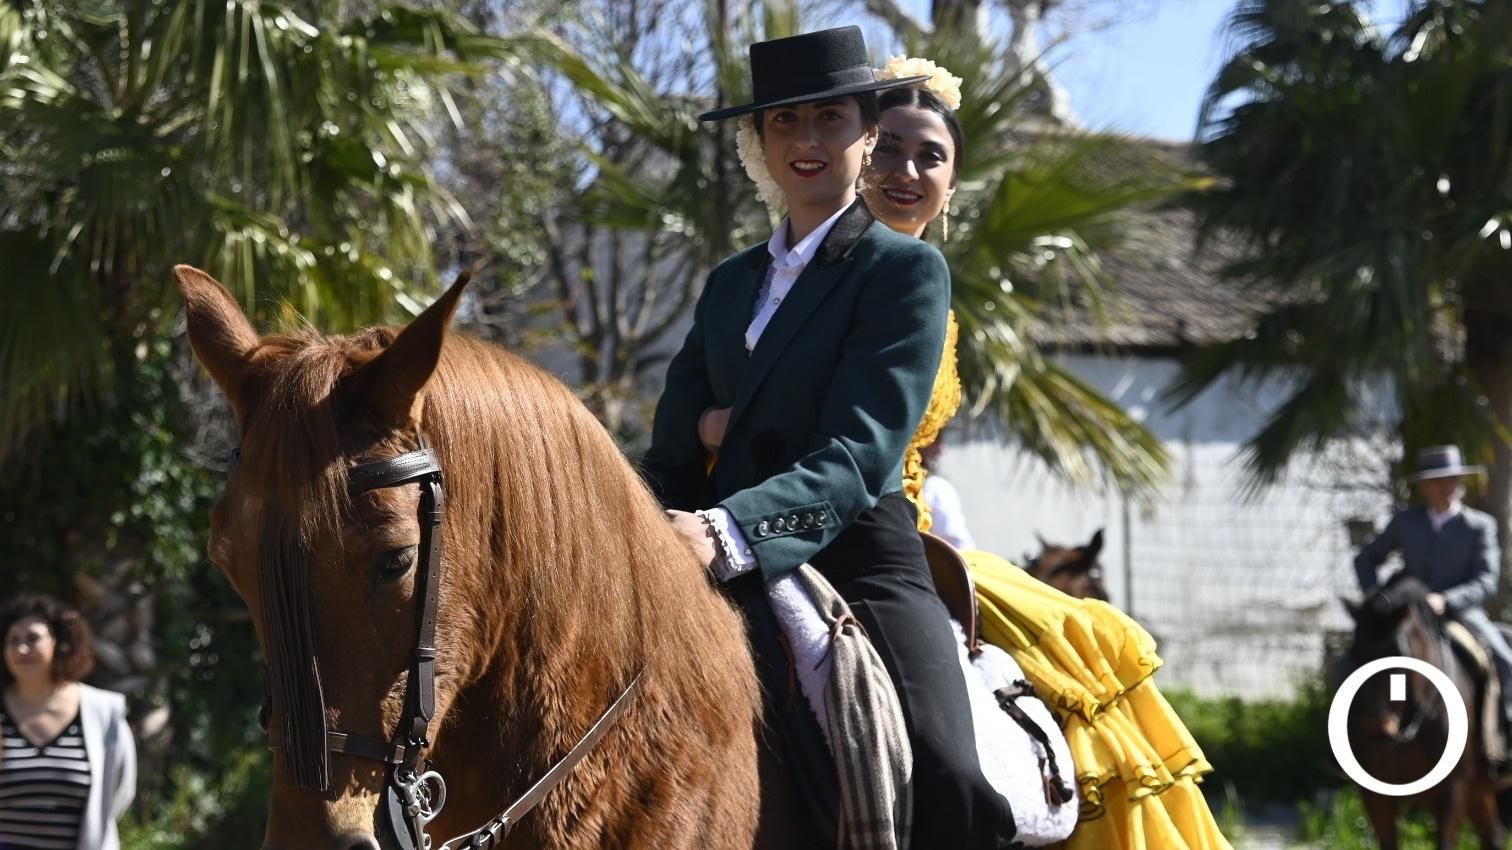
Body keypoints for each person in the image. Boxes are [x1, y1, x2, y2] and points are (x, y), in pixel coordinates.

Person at [641, 25, 1018, 848]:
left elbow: (857, 452)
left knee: (950, 774)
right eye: (785, 121)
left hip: (855, 552)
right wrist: (628, 523)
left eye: (829, 119)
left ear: (868, 133)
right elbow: (671, 443)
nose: (806, 140)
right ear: (760, 140)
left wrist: (727, 526)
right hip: (697, 546)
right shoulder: (729, 282)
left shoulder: (904, 270)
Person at [1354, 445, 1512, 728]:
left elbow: (1486, 581)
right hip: (1410, 612)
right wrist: (1376, 598)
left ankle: (1506, 727)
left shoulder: (1479, 526)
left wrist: (1447, 600)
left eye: (1453, 479)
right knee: (1371, 653)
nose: (1448, 487)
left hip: (1461, 612)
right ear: (1424, 487)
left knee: (1503, 656)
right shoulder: (1405, 522)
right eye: (1439, 481)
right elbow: (1365, 559)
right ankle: (1367, 721)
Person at [1, 594, 136, 850]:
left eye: (32, 639)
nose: (21, 649)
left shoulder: (102, 712)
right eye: (13, 640)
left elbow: (118, 792)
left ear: (61, 643)